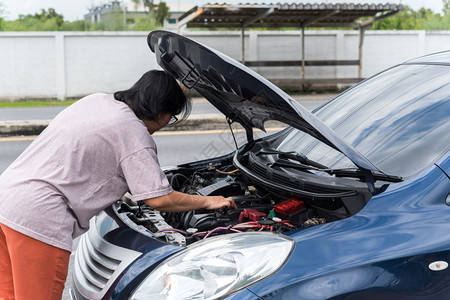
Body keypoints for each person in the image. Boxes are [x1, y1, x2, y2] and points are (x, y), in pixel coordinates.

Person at [0, 70, 236, 300]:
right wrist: (209, 200)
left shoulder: (96, 101)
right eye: (171, 117)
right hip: (37, 219)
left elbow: (88, 163)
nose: (166, 124)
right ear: (162, 112)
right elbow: (160, 199)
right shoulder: (133, 133)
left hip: (7, 200)